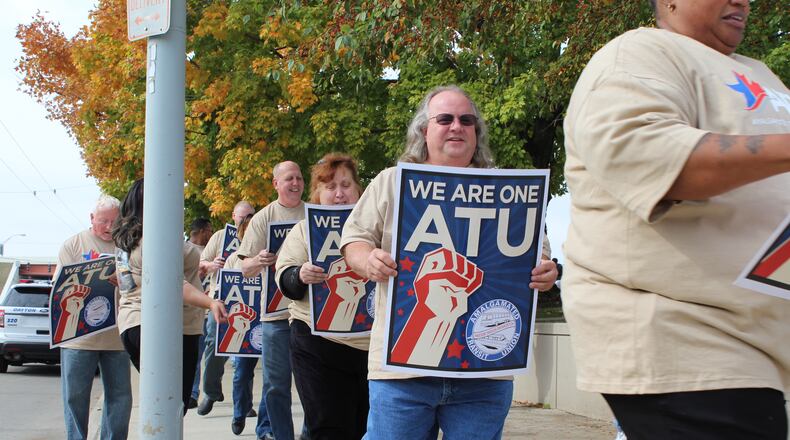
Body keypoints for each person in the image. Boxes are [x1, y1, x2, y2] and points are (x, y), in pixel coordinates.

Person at [562, 1, 790, 438]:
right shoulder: (639, 53)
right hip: (686, 340)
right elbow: (647, 153)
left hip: (755, 351)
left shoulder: (757, 70)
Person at [340, 85, 558, 439]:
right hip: (402, 374)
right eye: (445, 119)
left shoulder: (511, 189)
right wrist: (367, 261)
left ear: (477, 132)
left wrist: (546, 271)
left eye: (466, 120)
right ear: (424, 130)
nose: (456, 126)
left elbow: (538, 253)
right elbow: (354, 241)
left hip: (484, 373)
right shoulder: (391, 181)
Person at [111, 178, 228, 414]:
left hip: (135, 322)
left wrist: (196, 270)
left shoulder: (131, 237)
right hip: (164, 325)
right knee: (171, 409)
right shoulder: (155, 238)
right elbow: (171, 284)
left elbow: (142, 277)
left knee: (165, 406)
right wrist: (210, 302)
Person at [276, 153, 368, 440]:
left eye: (345, 185)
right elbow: (284, 277)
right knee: (328, 428)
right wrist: (300, 274)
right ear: (318, 193)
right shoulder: (304, 230)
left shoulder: (377, 228)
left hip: (370, 348)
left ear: (358, 190)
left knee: (366, 428)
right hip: (316, 345)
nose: (339, 194)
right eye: (330, 187)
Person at [237, 161, 309, 440]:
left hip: (309, 314)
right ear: (275, 183)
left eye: (300, 178)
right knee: (276, 385)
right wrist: (259, 260)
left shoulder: (313, 212)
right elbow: (244, 267)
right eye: (289, 178)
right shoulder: (263, 217)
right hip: (275, 317)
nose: (296, 183)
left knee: (311, 385)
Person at [56, 195, 132, 440]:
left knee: (120, 397)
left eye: (115, 221)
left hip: (117, 336)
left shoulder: (127, 247)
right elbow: (59, 287)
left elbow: (137, 284)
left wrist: (123, 280)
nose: (110, 227)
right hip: (78, 338)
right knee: (75, 397)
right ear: (91, 218)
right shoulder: (73, 245)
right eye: (103, 221)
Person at [196, 201, 255, 415]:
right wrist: (212, 265)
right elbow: (199, 265)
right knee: (214, 342)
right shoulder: (220, 237)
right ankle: (211, 391)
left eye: (250, 216)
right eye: (241, 217)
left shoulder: (259, 235)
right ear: (233, 216)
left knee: (248, 350)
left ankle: (243, 403)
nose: (245, 220)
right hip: (219, 300)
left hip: (250, 302)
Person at [225, 212, 272, 437]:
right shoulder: (234, 259)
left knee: (271, 377)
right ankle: (239, 412)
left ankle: (265, 426)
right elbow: (225, 293)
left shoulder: (274, 253)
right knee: (242, 373)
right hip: (244, 326)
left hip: (268, 322)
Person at [187, 217, 213, 409]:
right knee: (194, 356)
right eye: (209, 231)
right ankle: (192, 392)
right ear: (202, 231)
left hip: (209, 310)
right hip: (191, 311)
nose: (211, 234)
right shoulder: (186, 250)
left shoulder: (210, 251)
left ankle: (204, 390)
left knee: (207, 353)